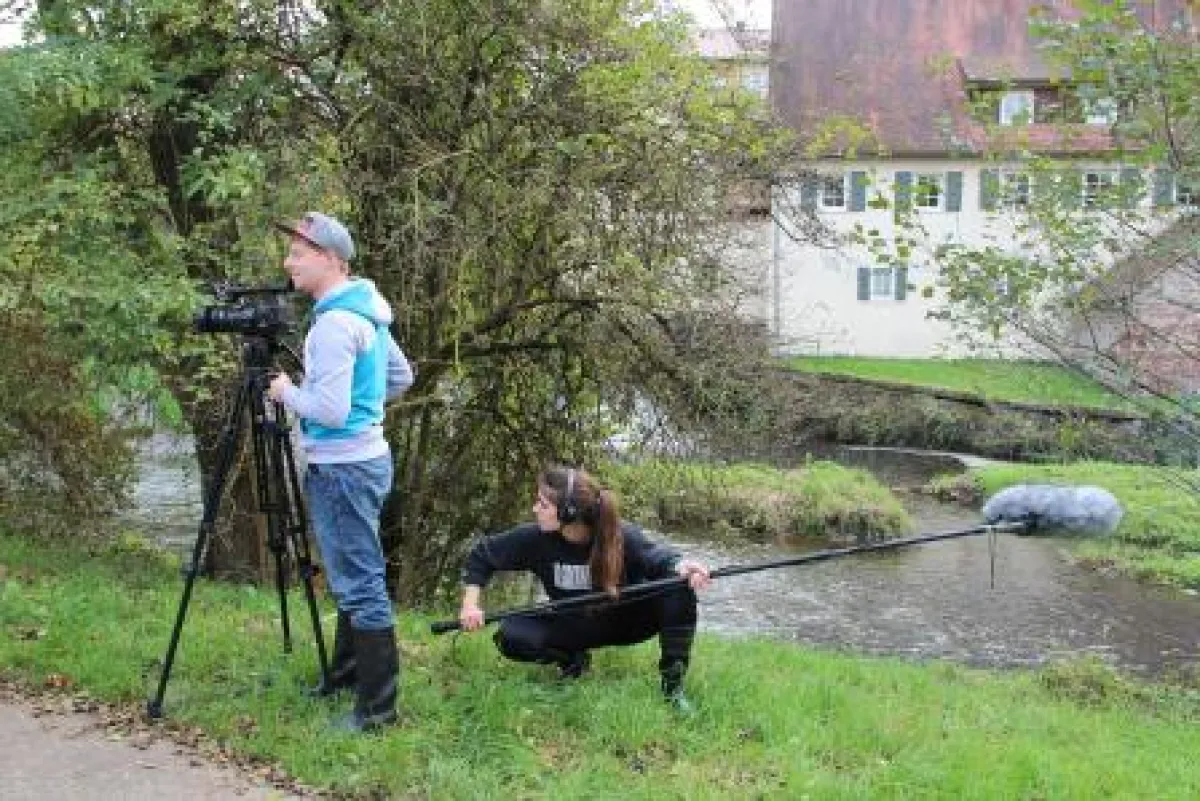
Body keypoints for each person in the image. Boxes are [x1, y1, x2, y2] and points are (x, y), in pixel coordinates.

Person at [267, 211, 413, 732]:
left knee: (361, 585)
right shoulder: (367, 310)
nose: (288, 262)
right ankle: (348, 678)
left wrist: (286, 393)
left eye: (298, 254)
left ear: (330, 259)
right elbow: (400, 375)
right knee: (357, 577)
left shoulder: (333, 323)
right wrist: (365, 409)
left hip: (343, 468)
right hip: (369, 459)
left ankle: (377, 712)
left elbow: (327, 411)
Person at [458, 465, 712, 711]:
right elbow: (484, 555)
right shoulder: (534, 538)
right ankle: (572, 660)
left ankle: (672, 688)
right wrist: (470, 605)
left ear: (568, 512)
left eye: (543, 505)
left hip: (627, 621)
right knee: (511, 635)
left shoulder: (619, 535)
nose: (535, 509)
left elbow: (659, 559)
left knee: (678, 587)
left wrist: (683, 566)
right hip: (575, 624)